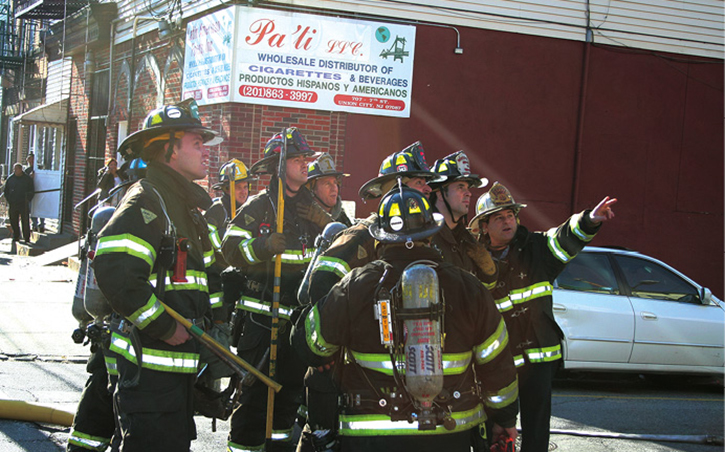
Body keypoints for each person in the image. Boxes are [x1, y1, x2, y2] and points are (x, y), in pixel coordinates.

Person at [292, 186, 520, 452]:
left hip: (370, 438)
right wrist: (504, 419)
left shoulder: (356, 286)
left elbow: (310, 345)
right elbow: (497, 365)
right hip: (450, 436)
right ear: (430, 235)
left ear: (380, 239)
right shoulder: (469, 287)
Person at [92, 98, 226, 451]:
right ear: (169, 150)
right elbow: (114, 270)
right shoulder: (148, 201)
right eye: (196, 143)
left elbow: (207, 277)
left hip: (176, 376)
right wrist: (164, 327)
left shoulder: (186, 208)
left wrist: (217, 321)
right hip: (149, 372)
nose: (205, 151)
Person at [296, 142, 442, 452]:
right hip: (344, 376)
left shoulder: (425, 234)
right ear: (394, 187)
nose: (426, 189)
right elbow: (318, 289)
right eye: (419, 181)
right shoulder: (360, 236)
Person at [468, 182, 617, 452]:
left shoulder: (537, 248)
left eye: (510, 215)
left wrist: (590, 220)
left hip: (539, 356)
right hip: (498, 360)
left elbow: (565, 238)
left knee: (537, 428)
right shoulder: (474, 261)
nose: (507, 221)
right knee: (495, 425)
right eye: (499, 217)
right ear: (483, 227)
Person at [221, 127, 328, 452]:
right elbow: (229, 248)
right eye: (297, 159)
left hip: (298, 328)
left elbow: (348, 243)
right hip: (261, 326)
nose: (305, 164)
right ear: (279, 166)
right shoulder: (260, 207)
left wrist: (324, 221)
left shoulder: (315, 210)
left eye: (305, 158)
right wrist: (263, 246)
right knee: (253, 404)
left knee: (287, 405)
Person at [306, 153, 352, 227]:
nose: (334, 188)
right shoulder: (304, 217)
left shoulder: (342, 217)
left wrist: (327, 222)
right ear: (312, 189)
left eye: (335, 182)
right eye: (327, 183)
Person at [2, 163, 35, 243]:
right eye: (14, 169)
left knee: (25, 221)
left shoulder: (27, 179)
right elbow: (6, 191)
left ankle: (26, 238)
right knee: (13, 220)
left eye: (17, 169)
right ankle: (16, 236)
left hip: (23, 203)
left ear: (21, 169)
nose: (15, 171)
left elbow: (31, 190)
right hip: (13, 203)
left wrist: (28, 199)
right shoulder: (11, 178)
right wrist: (9, 200)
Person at [24, 152, 44, 233]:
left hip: (40, 191)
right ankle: (34, 224)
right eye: (29, 160)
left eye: (32, 160)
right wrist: (30, 177)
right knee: (31, 209)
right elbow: (24, 181)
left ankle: (42, 225)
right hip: (30, 193)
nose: (31, 162)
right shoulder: (26, 171)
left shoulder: (39, 169)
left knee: (41, 208)